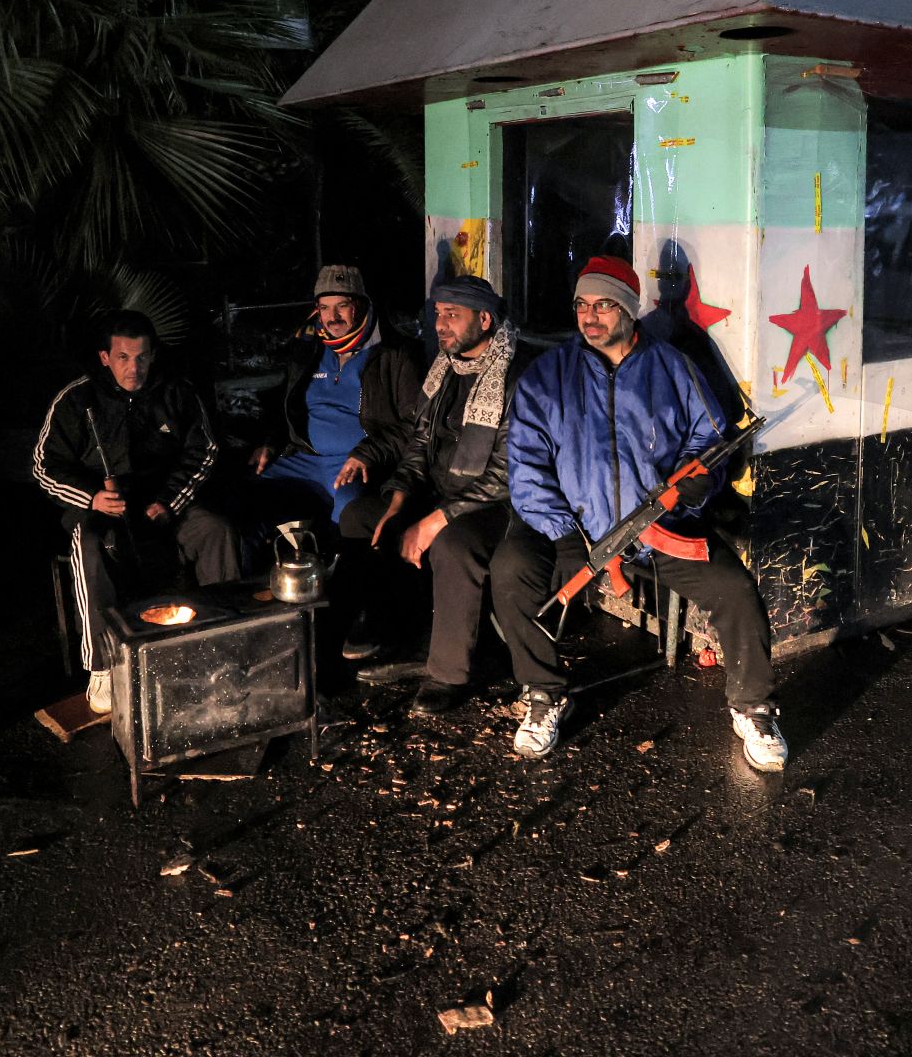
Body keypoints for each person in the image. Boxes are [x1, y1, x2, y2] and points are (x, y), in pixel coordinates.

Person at [490, 255, 786, 768]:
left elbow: (709, 435)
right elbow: (527, 464)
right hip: (575, 531)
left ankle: (753, 707)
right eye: (582, 305)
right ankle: (544, 693)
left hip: (660, 528)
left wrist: (700, 484)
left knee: (735, 591)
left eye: (604, 305)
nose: (590, 317)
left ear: (629, 310)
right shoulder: (545, 378)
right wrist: (562, 536)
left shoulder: (673, 367)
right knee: (510, 572)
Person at [33, 310, 241, 716]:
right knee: (88, 543)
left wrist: (170, 501)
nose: (134, 368)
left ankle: (225, 648)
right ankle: (101, 668)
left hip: (162, 503)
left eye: (142, 357)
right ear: (105, 357)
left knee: (216, 529)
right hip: (100, 508)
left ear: (153, 355)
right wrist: (91, 497)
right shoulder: (77, 399)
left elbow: (204, 451)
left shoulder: (177, 393)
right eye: (124, 358)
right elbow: (44, 465)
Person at [336, 276, 529, 714]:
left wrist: (434, 520)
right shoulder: (446, 368)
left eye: (452, 316)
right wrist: (400, 500)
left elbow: (505, 474)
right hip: (442, 492)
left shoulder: (516, 375)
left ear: (484, 319)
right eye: (438, 314)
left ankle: (450, 672)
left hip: (496, 504)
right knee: (362, 518)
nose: (441, 325)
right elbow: (419, 445)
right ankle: (394, 634)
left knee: (452, 542)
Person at [247, 264, 424, 660]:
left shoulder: (394, 355)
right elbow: (283, 406)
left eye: (342, 306)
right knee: (251, 498)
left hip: (355, 463)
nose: (333, 317)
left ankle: (353, 614)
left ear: (361, 306)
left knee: (352, 520)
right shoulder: (309, 350)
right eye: (325, 308)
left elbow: (416, 427)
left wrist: (368, 452)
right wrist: (268, 443)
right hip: (303, 458)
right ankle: (251, 606)